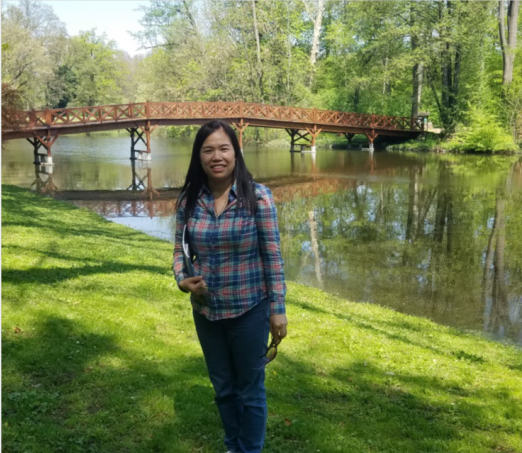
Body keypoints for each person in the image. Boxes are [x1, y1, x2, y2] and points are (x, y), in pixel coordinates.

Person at [173, 120, 288, 453]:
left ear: (236, 153)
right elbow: (179, 250)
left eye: (224, 148)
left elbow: (273, 256)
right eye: (208, 150)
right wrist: (181, 279)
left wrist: (277, 309)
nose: (217, 157)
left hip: (249, 310)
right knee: (223, 388)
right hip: (206, 311)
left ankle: (248, 450)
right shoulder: (189, 200)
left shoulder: (258, 197)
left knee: (249, 391)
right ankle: (232, 446)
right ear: (199, 156)